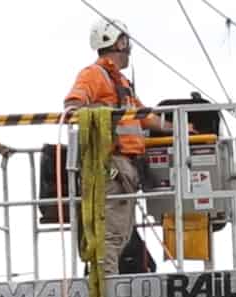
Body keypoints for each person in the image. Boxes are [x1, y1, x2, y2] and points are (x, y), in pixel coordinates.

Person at [64, 18, 172, 279]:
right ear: (116, 42)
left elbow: (143, 116)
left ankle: (109, 280)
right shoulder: (93, 75)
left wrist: (177, 127)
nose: (129, 46)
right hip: (112, 164)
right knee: (111, 231)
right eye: (125, 40)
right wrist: (104, 114)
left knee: (122, 231)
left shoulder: (120, 81)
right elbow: (73, 108)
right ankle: (105, 285)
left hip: (127, 166)